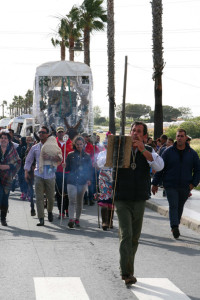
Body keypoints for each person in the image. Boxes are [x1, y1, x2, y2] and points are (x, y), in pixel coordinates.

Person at [114, 121, 164, 285]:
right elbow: (101, 161)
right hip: (121, 197)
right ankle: (126, 272)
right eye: (133, 130)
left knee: (134, 238)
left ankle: (129, 270)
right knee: (126, 234)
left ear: (144, 136)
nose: (134, 133)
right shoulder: (120, 147)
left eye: (138, 131)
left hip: (139, 198)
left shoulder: (148, 150)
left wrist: (142, 149)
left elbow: (159, 165)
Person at [152, 129, 200, 239]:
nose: (179, 138)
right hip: (170, 185)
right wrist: (155, 183)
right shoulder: (168, 152)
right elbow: (160, 168)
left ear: (186, 138)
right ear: (176, 137)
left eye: (182, 136)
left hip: (185, 186)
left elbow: (198, 170)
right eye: (178, 136)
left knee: (180, 206)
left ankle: (175, 225)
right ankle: (174, 227)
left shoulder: (192, 153)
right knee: (173, 205)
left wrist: (193, 183)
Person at [24, 126, 62, 226]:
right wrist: (26, 171)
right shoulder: (35, 147)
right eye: (40, 132)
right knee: (39, 197)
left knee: (51, 197)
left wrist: (49, 157)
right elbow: (28, 160)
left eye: (43, 132)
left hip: (50, 175)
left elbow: (59, 158)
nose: (41, 134)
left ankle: (49, 211)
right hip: (38, 174)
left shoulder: (54, 146)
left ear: (48, 134)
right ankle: (41, 218)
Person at [65, 136, 92, 228]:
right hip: (71, 180)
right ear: (74, 144)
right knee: (72, 200)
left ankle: (77, 219)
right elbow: (67, 168)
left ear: (84, 144)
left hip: (82, 181)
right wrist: (64, 165)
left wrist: (89, 179)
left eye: (81, 144)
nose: (79, 146)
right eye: (77, 144)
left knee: (80, 201)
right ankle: (71, 219)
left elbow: (89, 169)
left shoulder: (87, 156)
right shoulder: (70, 155)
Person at [0, 132, 21, 226]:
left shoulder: (12, 150)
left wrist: (7, 167)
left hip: (7, 177)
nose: (3, 139)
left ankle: (3, 218)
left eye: (5, 138)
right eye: (2, 138)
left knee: (5, 198)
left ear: (8, 140)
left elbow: (18, 162)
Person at [96, 136, 113, 231]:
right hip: (103, 178)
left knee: (112, 199)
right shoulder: (101, 154)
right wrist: (107, 157)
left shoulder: (116, 154)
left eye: (108, 143)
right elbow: (99, 164)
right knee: (104, 198)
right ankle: (104, 221)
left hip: (113, 177)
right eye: (105, 143)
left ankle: (110, 221)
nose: (107, 145)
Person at [55, 126, 71, 219]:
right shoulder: (53, 143)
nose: (61, 133)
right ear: (57, 133)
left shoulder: (70, 143)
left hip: (68, 171)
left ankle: (67, 209)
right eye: (59, 132)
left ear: (64, 133)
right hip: (57, 171)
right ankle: (61, 212)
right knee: (59, 192)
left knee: (67, 192)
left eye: (62, 132)